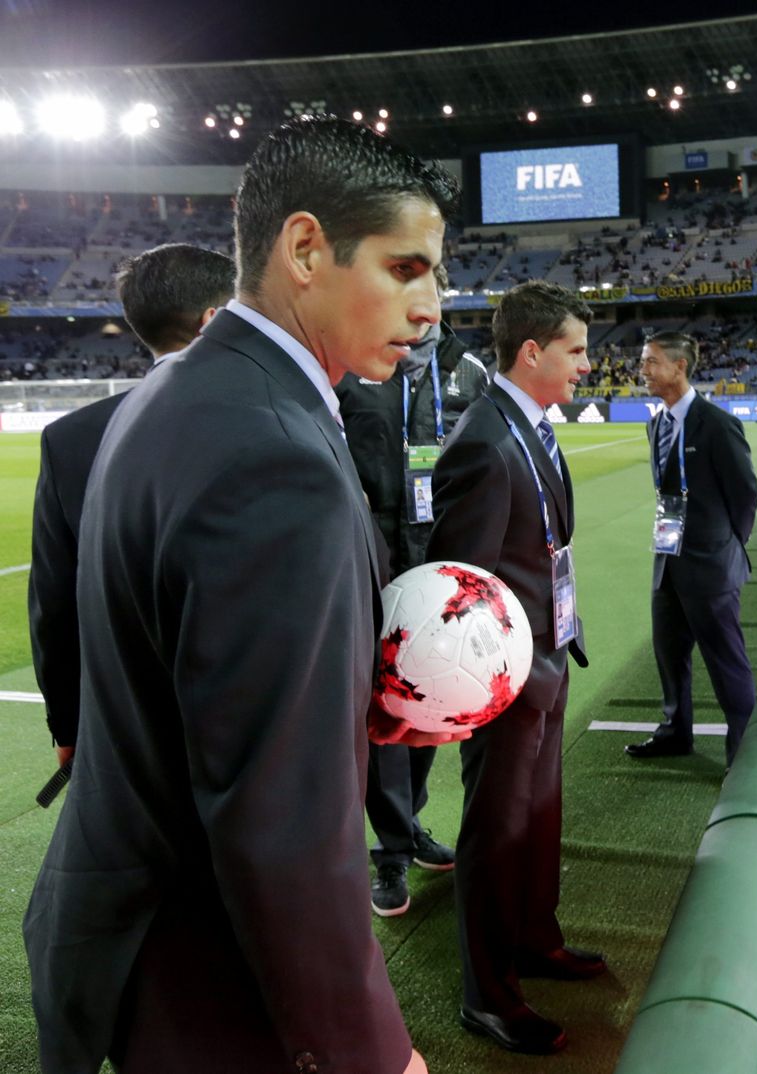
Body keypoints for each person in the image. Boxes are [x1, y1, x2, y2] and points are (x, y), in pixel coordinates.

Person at [24, 115, 461, 1074]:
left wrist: (353, 705)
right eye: (406, 268)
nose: (433, 305)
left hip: (139, 931)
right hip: (212, 976)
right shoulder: (275, 450)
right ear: (305, 248)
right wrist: (369, 1052)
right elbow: (281, 824)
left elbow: (194, 682)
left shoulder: (177, 394)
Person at [426, 279, 603, 1056]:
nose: (586, 367)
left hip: (547, 660)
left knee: (537, 820)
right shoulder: (484, 440)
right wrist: (508, 676)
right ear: (532, 352)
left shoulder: (524, 426)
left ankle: (535, 941)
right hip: (505, 682)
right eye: (575, 351)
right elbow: (458, 589)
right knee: (496, 833)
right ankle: (488, 995)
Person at [28, 243, 234, 773]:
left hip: (122, 728)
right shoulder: (281, 420)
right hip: (249, 722)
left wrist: (67, 722)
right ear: (215, 320)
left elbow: (54, 602)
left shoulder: (69, 439)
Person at [337, 318, 491, 916]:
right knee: (382, 705)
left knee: (430, 700)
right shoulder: (358, 364)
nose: (421, 312)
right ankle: (393, 848)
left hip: (443, 559)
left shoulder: (467, 370)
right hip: (372, 555)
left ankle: (410, 821)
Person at [626, 331, 757, 766]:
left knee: (726, 661)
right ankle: (675, 731)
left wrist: (726, 546)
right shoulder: (656, 423)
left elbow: (745, 495)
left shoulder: (718, 425)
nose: (642, 370)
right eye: (643, 362)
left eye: (651, 362)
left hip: (711, 565)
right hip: (667, 559)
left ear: (679, 367)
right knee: (670, 654)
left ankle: (744, 749)